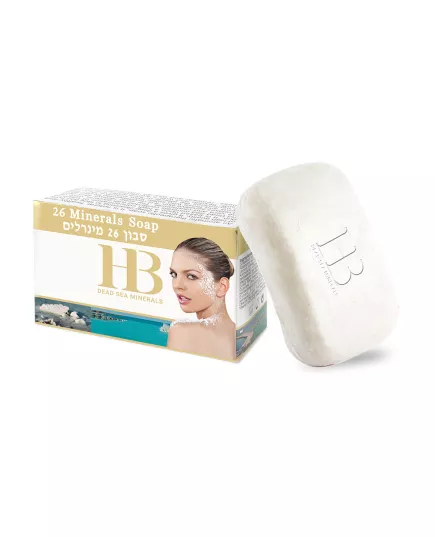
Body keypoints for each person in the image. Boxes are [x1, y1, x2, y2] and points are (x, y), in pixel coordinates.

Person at [167, 237, 236, 360]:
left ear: (222, 286)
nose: (177, 285)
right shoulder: (240, 334)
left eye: (191, 276)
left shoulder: (181, 331)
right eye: (174, 274)